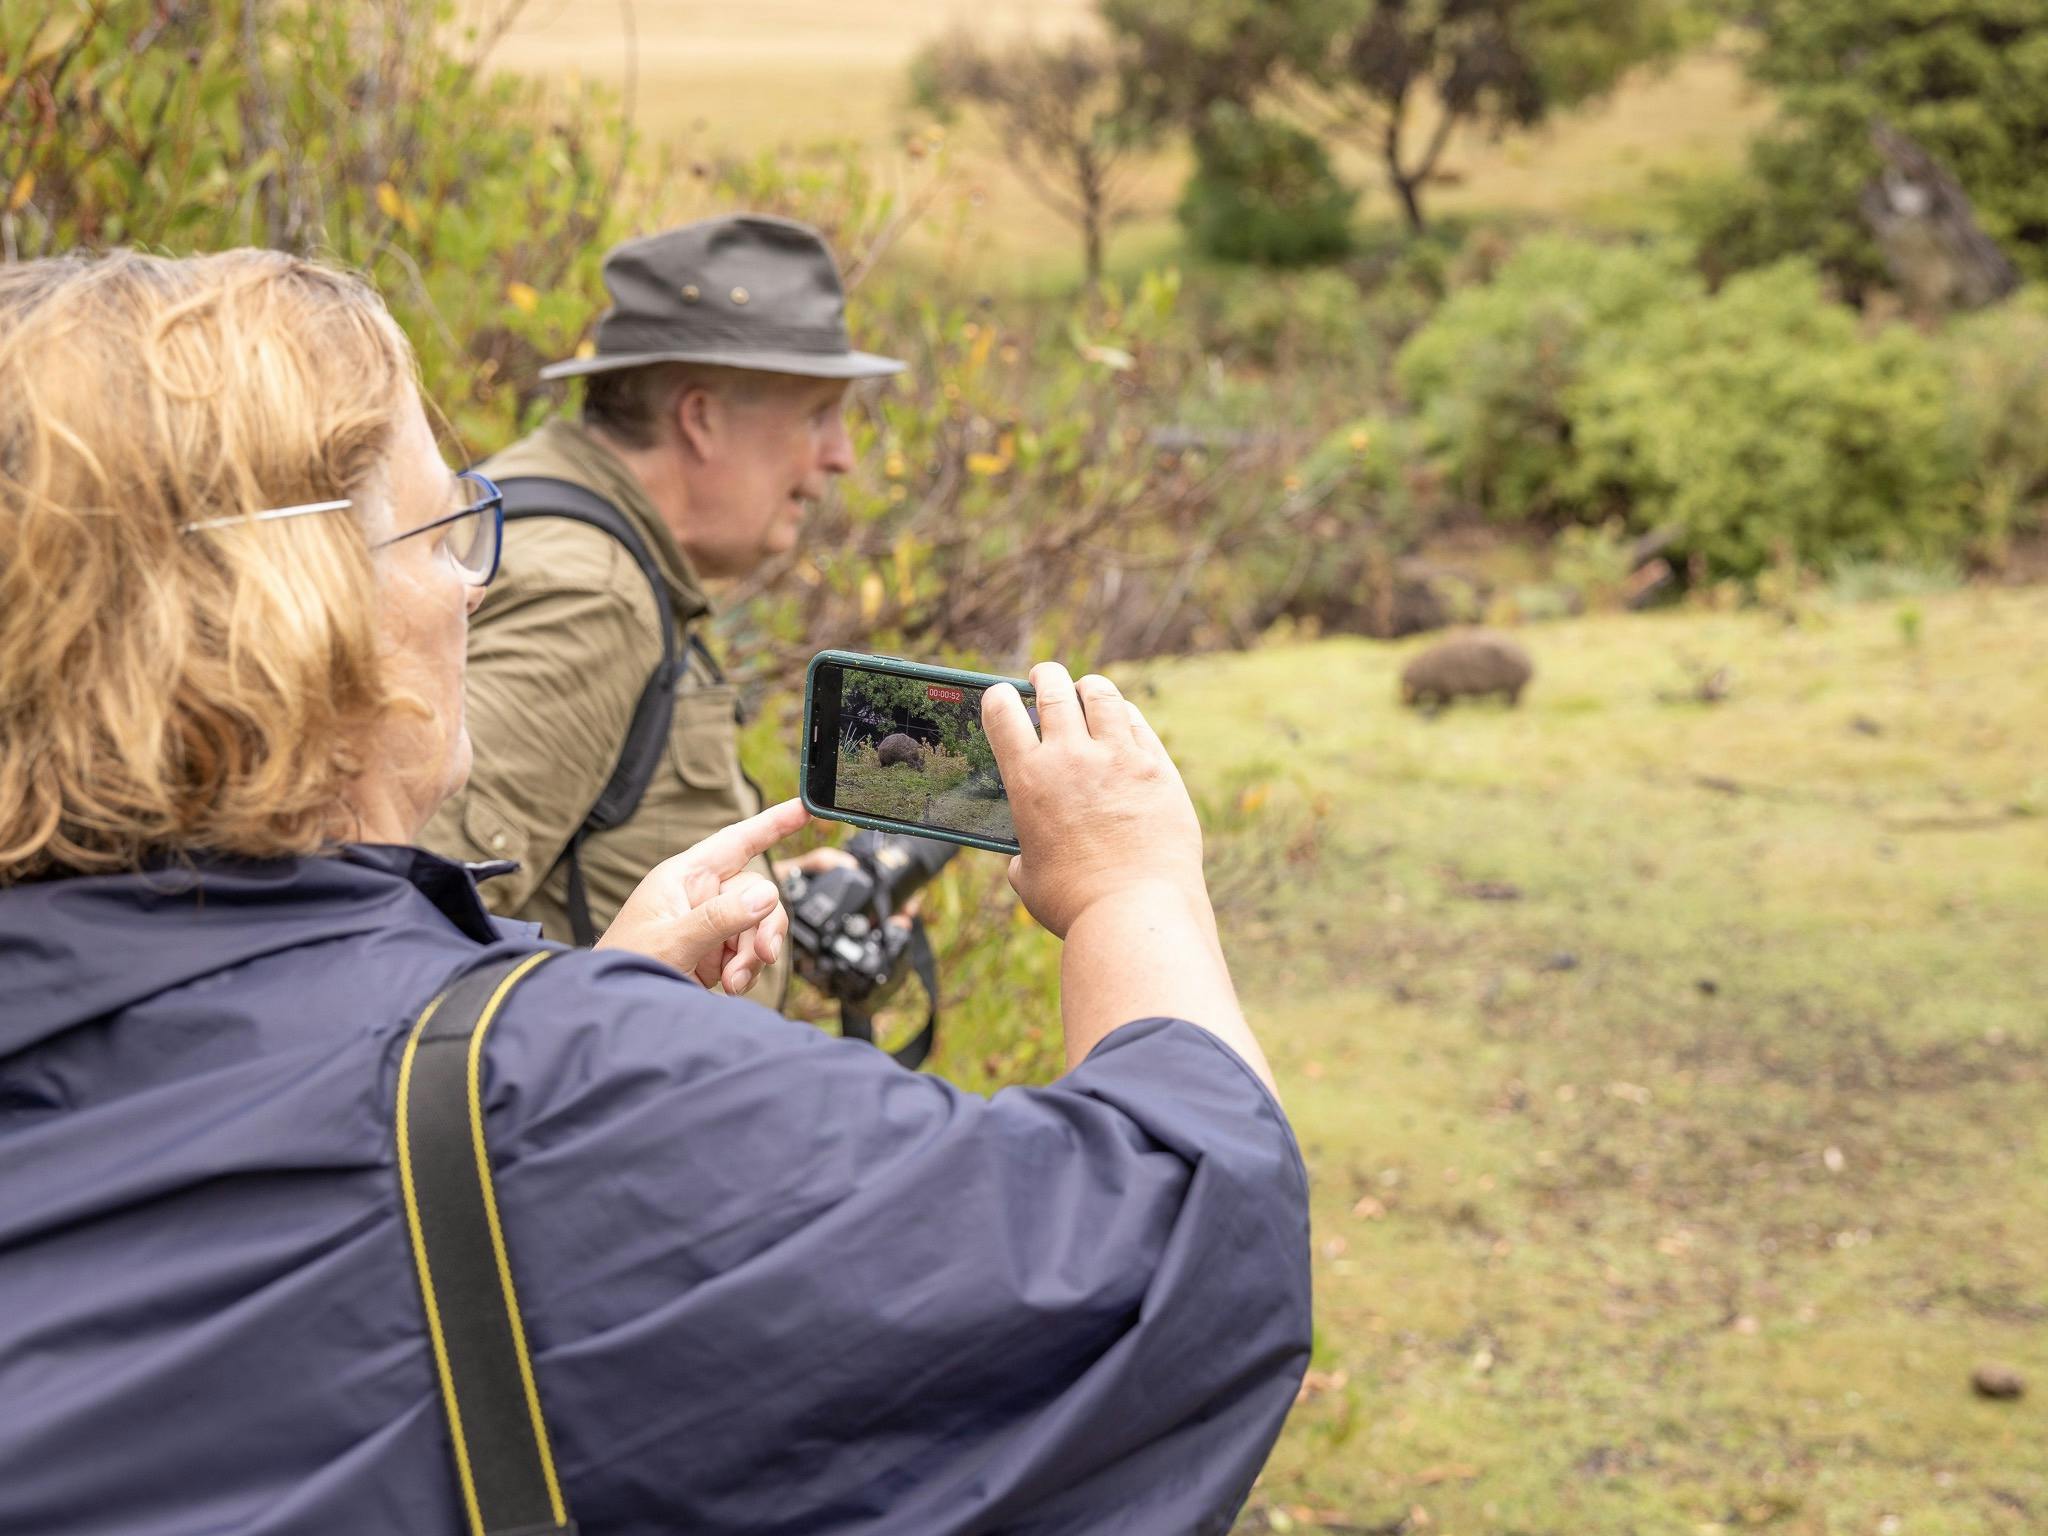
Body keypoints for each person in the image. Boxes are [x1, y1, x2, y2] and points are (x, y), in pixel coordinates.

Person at [0, 249, 1310, 1534]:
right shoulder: (558, 1073)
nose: (472, 581)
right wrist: (1132, 887)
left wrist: (578, 995)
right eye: (446, 528)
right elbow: (1198, 1252)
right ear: (302, 620)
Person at [419, 214, 905, 1000]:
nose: (839, 456)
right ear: (701, 416)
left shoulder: (548, 513)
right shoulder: (587, 598)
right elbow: (415, 920)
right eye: (817, 414)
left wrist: (756, 882)